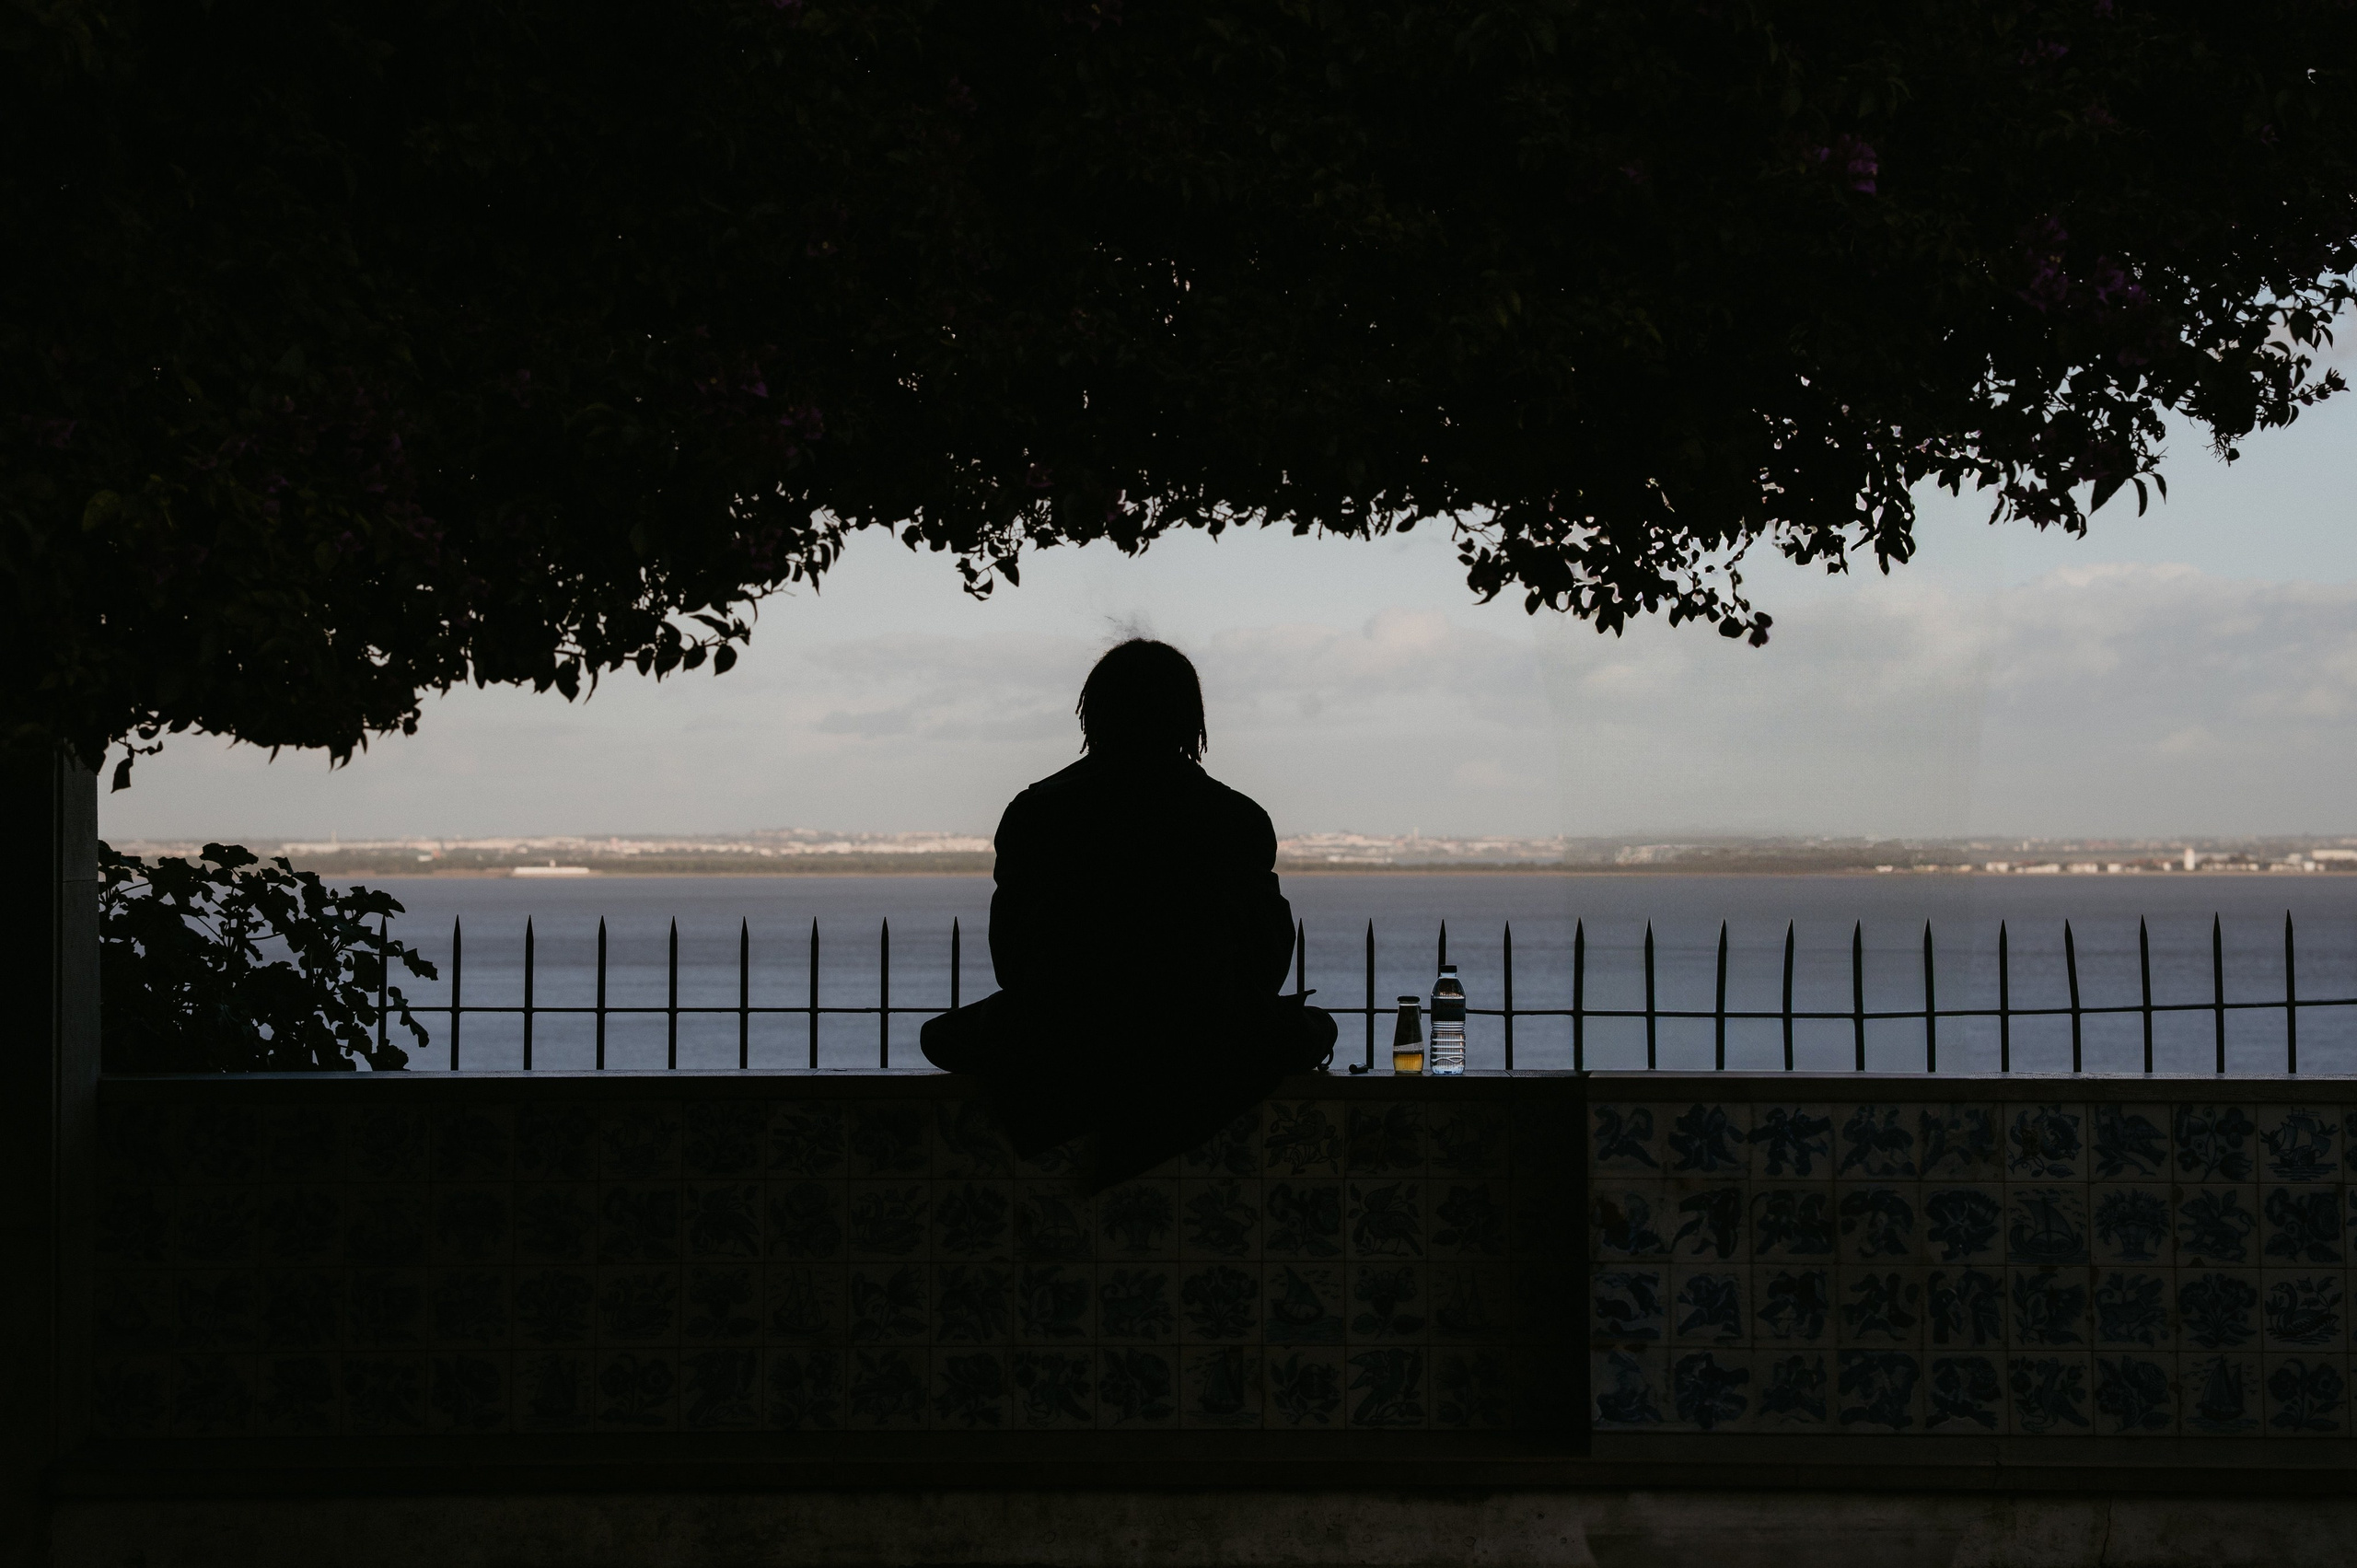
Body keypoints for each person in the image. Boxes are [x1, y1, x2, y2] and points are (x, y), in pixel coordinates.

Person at [920, 638, 1336, 1188]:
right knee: (1314, 1028)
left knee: (941, 1036)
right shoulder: (1236, 816)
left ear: (1094, 713)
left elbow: (1012, 964)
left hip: (1065, 1038)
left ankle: (1088, 1113)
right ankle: (1158, 1121)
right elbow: (1267, 965)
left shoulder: (1036, 811)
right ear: (1192, 718)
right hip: (1201, 1038)